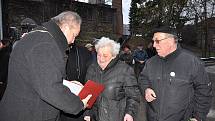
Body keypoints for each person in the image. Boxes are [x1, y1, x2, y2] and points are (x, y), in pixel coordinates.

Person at [0, 11, 91, 121]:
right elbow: (50, 88)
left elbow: (38, 77)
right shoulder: (45, 44)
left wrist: (67, 83)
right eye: (74, 35)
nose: (73, 41)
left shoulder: (38, 36)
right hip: (28, 114)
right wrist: (78, 104)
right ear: (66, 27)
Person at [138, 26, 212, 121]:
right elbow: (142, 79)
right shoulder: (151, 62)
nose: (154, 45)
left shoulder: (192, 62)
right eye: (153, 41)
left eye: (157, 41)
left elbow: (204, 92)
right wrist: (146, 89)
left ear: (171, 40)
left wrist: (197, 117)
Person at [84, 37, 140, 121]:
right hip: (95, 117)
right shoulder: (92, 68)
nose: (101, 59)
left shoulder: (125, 70)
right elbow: (88, 93)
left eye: (105, 56)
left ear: (113, 56)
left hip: (116, 117)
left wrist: (129, 113)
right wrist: (87, 113)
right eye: (99, 55)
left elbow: (133, 96)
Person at [61, 43, 93, 121]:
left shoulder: (83, 51)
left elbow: (91, 75)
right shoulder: (56, 50)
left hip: (80, 99)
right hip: (62, 99)